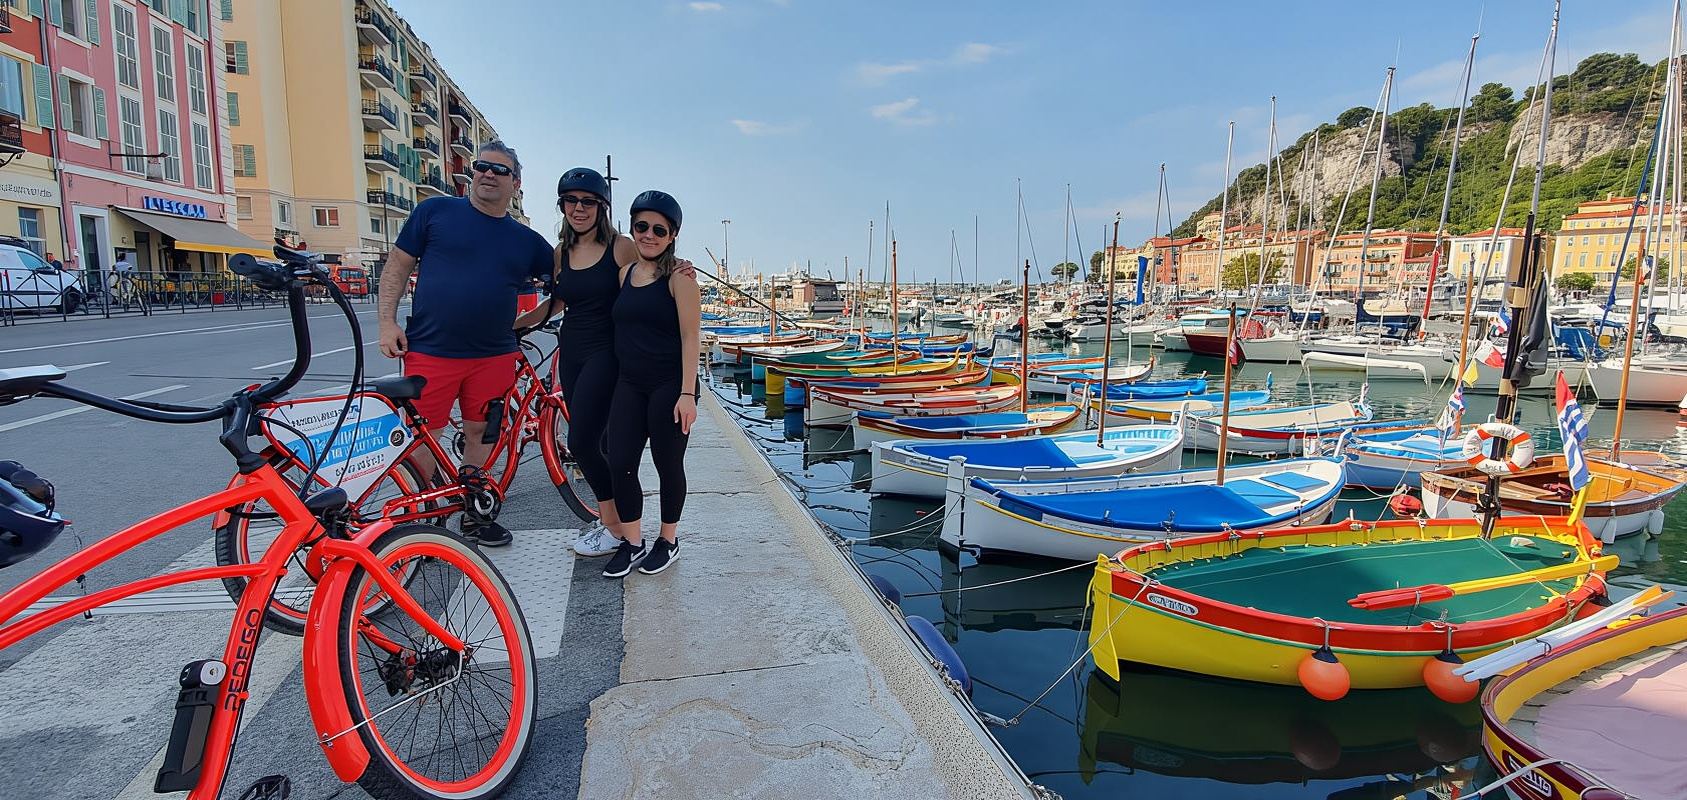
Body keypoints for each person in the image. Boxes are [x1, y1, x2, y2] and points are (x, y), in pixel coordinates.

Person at [375, 140, 553, 547]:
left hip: (493, 356)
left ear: (516, 184)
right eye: (481, 167)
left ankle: (475, 516)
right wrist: (386, 323)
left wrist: (529, 322)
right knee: (424, 436)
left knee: (482, 434)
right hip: (430, 351)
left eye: (499, 170)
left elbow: (571, 279)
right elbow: (398, 265)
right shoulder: (434, 212)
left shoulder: (526, 241)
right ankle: (423, 521)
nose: (488, 174)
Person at [513, 167, 637, 557]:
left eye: (588, 201)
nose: (578, 208)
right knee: (595, 442)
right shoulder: (561, 253)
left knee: (581, 442)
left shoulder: (622, 247)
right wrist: (513, 326)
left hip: (608, 352)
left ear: (601, 206)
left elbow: (648, 285)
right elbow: (557, 303)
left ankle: (617, 530)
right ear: (562, 205)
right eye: (571, 200)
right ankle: (615, 521)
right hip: (573, 352)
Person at [601, 191, 702, 578]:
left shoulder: (679, 278)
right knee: (621, 461)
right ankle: (632, 542)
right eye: (641, 226)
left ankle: (668, 540)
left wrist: (687, 393)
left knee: (667, 464)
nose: (648, 235)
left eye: (659, 229)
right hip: (629, 383)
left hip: (669, 385)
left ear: (672, 234)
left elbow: (691, 336)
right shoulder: (625, 274)